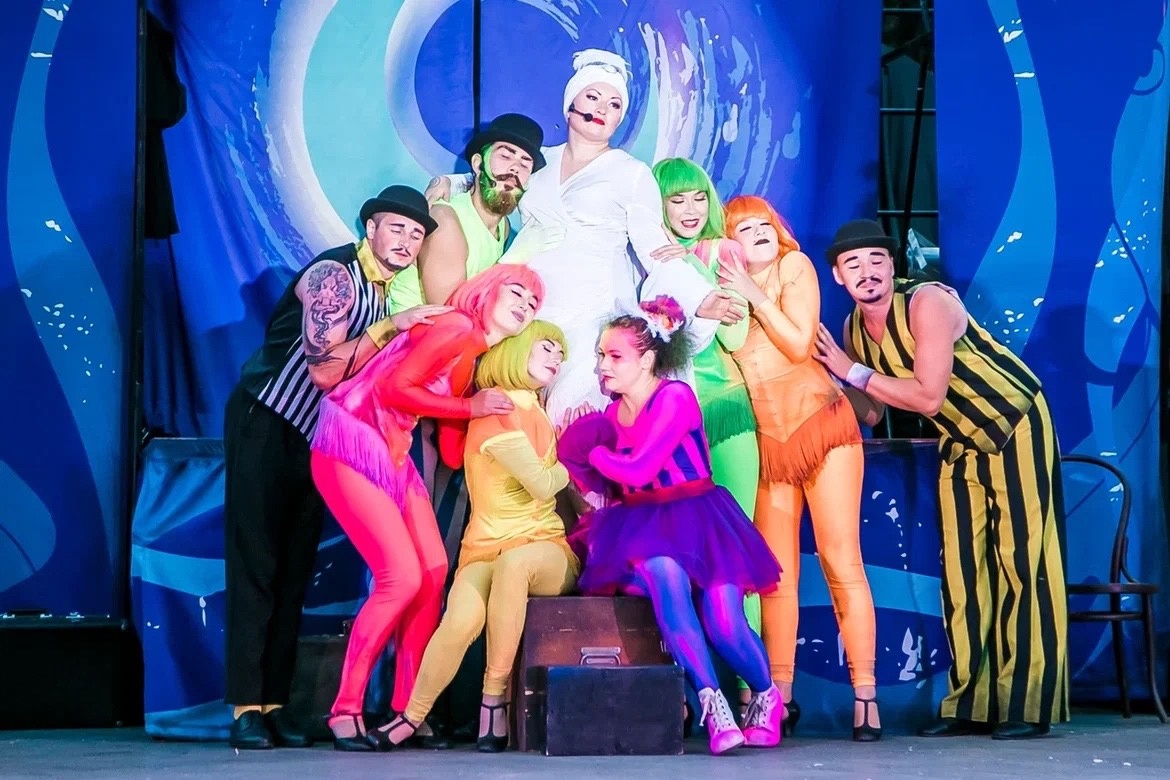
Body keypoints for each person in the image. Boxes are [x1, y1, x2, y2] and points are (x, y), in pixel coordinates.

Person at [814, 219, 1068, 741]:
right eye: (853, 264)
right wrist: (826, 379)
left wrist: (853, 371)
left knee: (1024, 563)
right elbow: (871, 411)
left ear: (892, 265)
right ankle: (971, 702)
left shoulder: (926, 302)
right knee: (963, 570)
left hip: (1012, 422)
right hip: (959, 439)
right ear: (838, 276)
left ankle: (1026, 702)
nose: (867, 272)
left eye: (876, 260)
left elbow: (928, 397)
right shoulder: (854, 329)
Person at [222, 185, 449, 750]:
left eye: (416, 234)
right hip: (268, 421)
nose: (407, 241)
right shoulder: (335, 275)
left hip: (319, 440)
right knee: (257, 563)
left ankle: (275, 704)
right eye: (396, 228)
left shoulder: (386, 293)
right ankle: (246, 708)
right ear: (369, 227)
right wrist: (393, 328)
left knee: (294, 569)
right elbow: (324, 372)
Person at [425, 49, 744, 433]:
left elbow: (654, 249)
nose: (601, 109)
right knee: (524, 432)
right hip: (532, 315)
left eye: (614, 104)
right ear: (570, 104)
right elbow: (502, 179)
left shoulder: (631, 173)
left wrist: (696, 296)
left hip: (594, 314)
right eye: (592, 97)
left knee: (582, 425)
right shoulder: (538, 163)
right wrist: (449, 182)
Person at [309, 264, 545, 751]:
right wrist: (471, 409)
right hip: (351, 441)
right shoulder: (455, 326)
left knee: (434, 571)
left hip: (391, 453)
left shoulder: (474, 355)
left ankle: (408, 710)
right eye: (516, 292)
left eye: (533, 303)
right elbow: (394, 388)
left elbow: (452, 450)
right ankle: (345, 709)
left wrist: (503, 419)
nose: (525, 305)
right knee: (400, 578)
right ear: (486, 292)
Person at [558, 296, 783, 756]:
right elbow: (613, 485)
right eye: (601, 355)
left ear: (646, 360)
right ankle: (712, 703)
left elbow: (640, 468)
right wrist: (581, 452)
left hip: (701, 520)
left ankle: (766, 694)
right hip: (645, 523)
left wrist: (592, 452)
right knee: (664, 576)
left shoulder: (675, 397)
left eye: (615, 356)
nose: (603, 365)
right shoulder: (611, 415)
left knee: (724, 622)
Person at [372, 321, 579, 752]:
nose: (557, 358)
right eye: (547, 347)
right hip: (484, 550)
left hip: (544, 547)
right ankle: (411, 716)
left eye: (561, 353)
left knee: (515, 565)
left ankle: (493, 700)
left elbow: (546, 491)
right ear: (516, 349)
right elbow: (543, 484)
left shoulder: (538, 410)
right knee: (460, 619)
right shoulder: (497, 410)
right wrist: (574, 458)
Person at [719, 196, 880, 741]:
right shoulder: (724, 290)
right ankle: (778, 699)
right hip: (768, 445)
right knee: (776, 577)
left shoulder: (794, 266)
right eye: (745, 228)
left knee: (841, 560)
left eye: (765, 224)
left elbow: (796, 344)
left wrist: (752, 293)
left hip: (822, 427)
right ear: (728, 243)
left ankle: (866, 695)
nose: (759, 233)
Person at [651, 158, 762, 712]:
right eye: (677, 200)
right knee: (675, 560)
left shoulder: (721, 251)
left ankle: (754, 692)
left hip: (723, 411)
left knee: (735, 552)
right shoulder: (644, 257)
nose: (690, 209)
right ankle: (692, 694)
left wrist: (700, 277)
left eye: (698, 197)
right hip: (669, 426)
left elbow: (736, 337)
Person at [389, 113, 559, 311]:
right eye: (505, 156)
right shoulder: (445, 220)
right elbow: (449, 314)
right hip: (415, 329)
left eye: (525, 164)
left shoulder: (503, 227)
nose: (514, 169)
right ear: (478, 164)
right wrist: (509, 262)